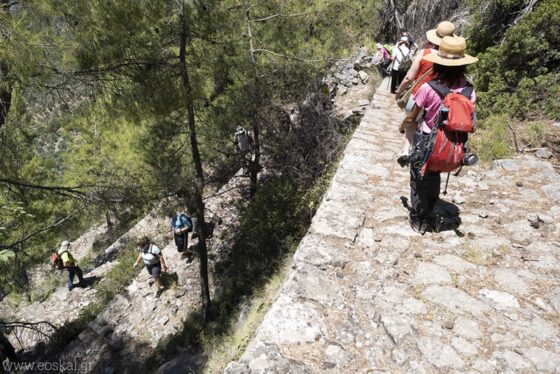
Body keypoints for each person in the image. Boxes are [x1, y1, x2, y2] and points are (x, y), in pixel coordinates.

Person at [399, 36, 478, 233]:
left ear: (438, 64)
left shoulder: (428, 87)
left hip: (426, 142)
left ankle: (419, 219)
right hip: (452, 146)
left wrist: (403, 127)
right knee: (434, 177)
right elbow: (472, 123)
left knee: (418, 178)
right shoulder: (469, 91)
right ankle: (432, 211)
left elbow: (412, 117)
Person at [395, 21, 456, 166]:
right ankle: (426, 153)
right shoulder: (451, 58)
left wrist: (399, 91)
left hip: (419, 95)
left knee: (411, 122)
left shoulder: (424, 53)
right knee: (429, 125)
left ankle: (406, 150)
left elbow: (410, 77)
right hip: (440, 99)